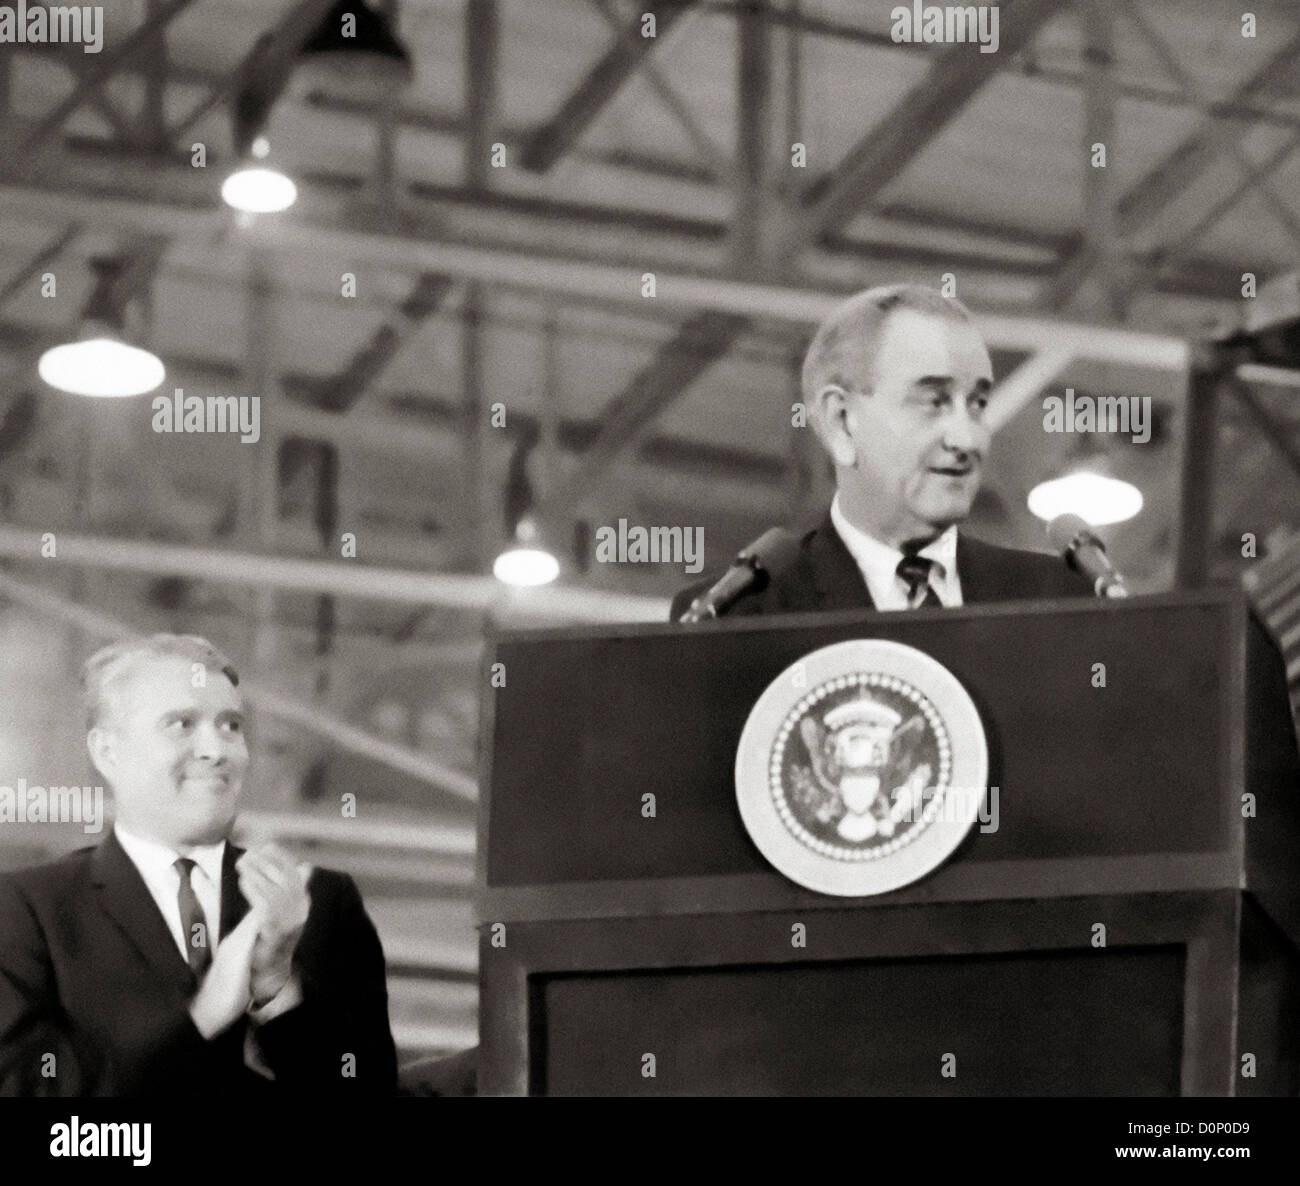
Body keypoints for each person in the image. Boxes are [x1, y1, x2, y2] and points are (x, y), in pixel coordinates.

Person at [0, 634, 397, 1096]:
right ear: (108, 752)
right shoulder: (29, 909)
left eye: (231, 725)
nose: (218, 750)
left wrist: (275, 991)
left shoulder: (320, 901)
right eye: (182, 724)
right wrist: (204, 1015)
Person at [671, 284, 1093, 619]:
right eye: (933, 401)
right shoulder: (738, 617)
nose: (966, 439)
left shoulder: (1059, 604)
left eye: (978, 404)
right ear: (841, 420)